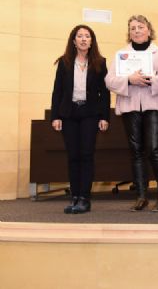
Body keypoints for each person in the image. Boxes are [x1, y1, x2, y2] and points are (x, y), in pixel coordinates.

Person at [105, 15, 158, 212]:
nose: (136, 30)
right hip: (130, 107)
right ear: (129, 32)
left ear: (148, 30)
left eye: (140, 27)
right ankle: (141, 196)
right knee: (136, 152)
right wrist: (129, 79)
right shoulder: (121, 54)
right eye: (133, 28)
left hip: (155, 106)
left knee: (154, 149)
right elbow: (109, 80)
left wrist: (148, 79)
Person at [51, 25, 110, 214]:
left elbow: (105, 93)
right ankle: (74, 196)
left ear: (92, 41)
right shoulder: (64, 62)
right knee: (73, 156)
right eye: (80, 36)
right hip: (69, 113)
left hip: (90, 113)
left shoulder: (100, 62)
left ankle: (85, 197)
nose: (84, 39)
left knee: (86, 155)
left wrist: (104, 117)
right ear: (74, 41)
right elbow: (57, 91)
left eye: (87, 36)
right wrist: (55, 116)